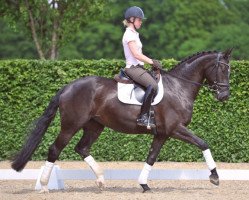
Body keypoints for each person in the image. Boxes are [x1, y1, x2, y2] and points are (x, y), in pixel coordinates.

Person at [122, 6, 162, 129]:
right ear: (132, 19)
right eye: (139, 20)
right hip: (133, 68)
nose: (141, 22)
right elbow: (136, 54)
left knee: (156, 80)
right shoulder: (129, 34)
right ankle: (143, 117)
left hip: (139, 67)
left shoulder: (134, 34)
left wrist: (151, 63)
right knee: (153, 86)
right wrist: (152, 62)